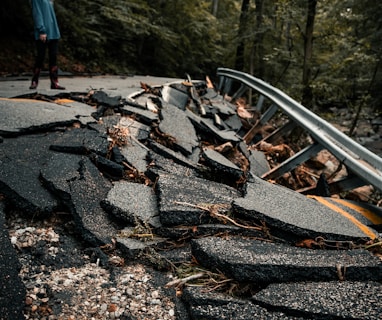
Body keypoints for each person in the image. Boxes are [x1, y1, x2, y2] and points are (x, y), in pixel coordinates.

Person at [29, 0, 65, 90]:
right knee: (40, 57)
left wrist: (56, 31)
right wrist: (41, 30)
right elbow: (37, 14)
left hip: (53, 33)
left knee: (53, 57)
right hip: (43, 33)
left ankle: (54, 82)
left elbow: (51, 16)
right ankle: (34, 81)